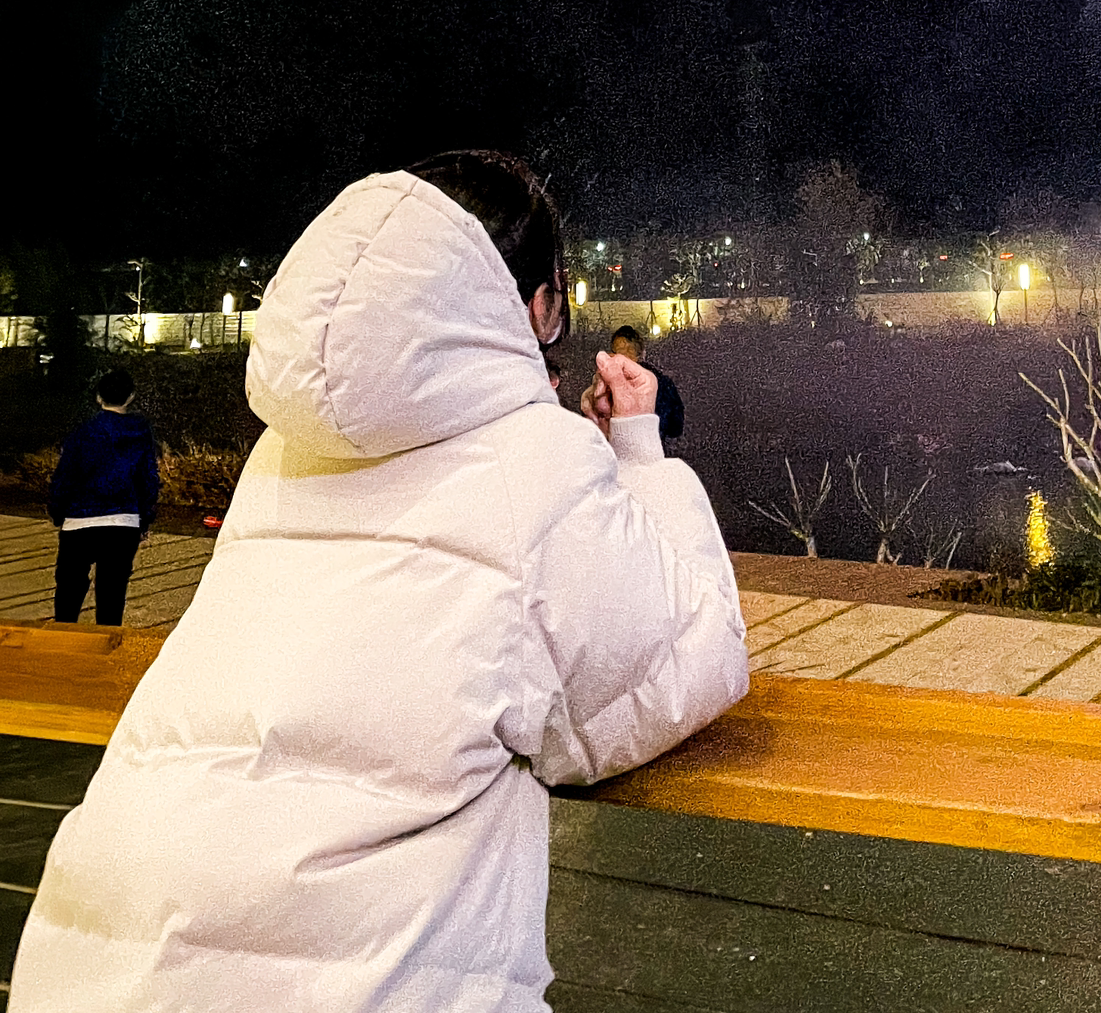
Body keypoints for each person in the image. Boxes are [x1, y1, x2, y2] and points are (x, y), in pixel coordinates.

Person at [12, 153, 748, 1011]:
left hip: (105, 953)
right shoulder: (537, 458)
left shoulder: (281, 450)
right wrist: (639, 451)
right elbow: (684, 666)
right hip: (356, 980)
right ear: (543, 304)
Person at [47, 366, 159, 628]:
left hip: (79, 520)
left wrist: (58, 512)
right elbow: (147, 479)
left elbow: (65, 476)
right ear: (130, 397)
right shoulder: (141, 433)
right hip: (123, 521)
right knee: (112, 594)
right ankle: (105, 656)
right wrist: (144, 520)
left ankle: (60, 647)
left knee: (69, 591)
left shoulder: (83, 433)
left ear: (99, 397)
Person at [606, 324, 684, 439]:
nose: (625, 356)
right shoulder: (606, 384)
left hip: (649, 446)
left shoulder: (659, 383)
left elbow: (675, 426)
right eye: (620, 351)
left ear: (639, 354)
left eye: (630, 350)